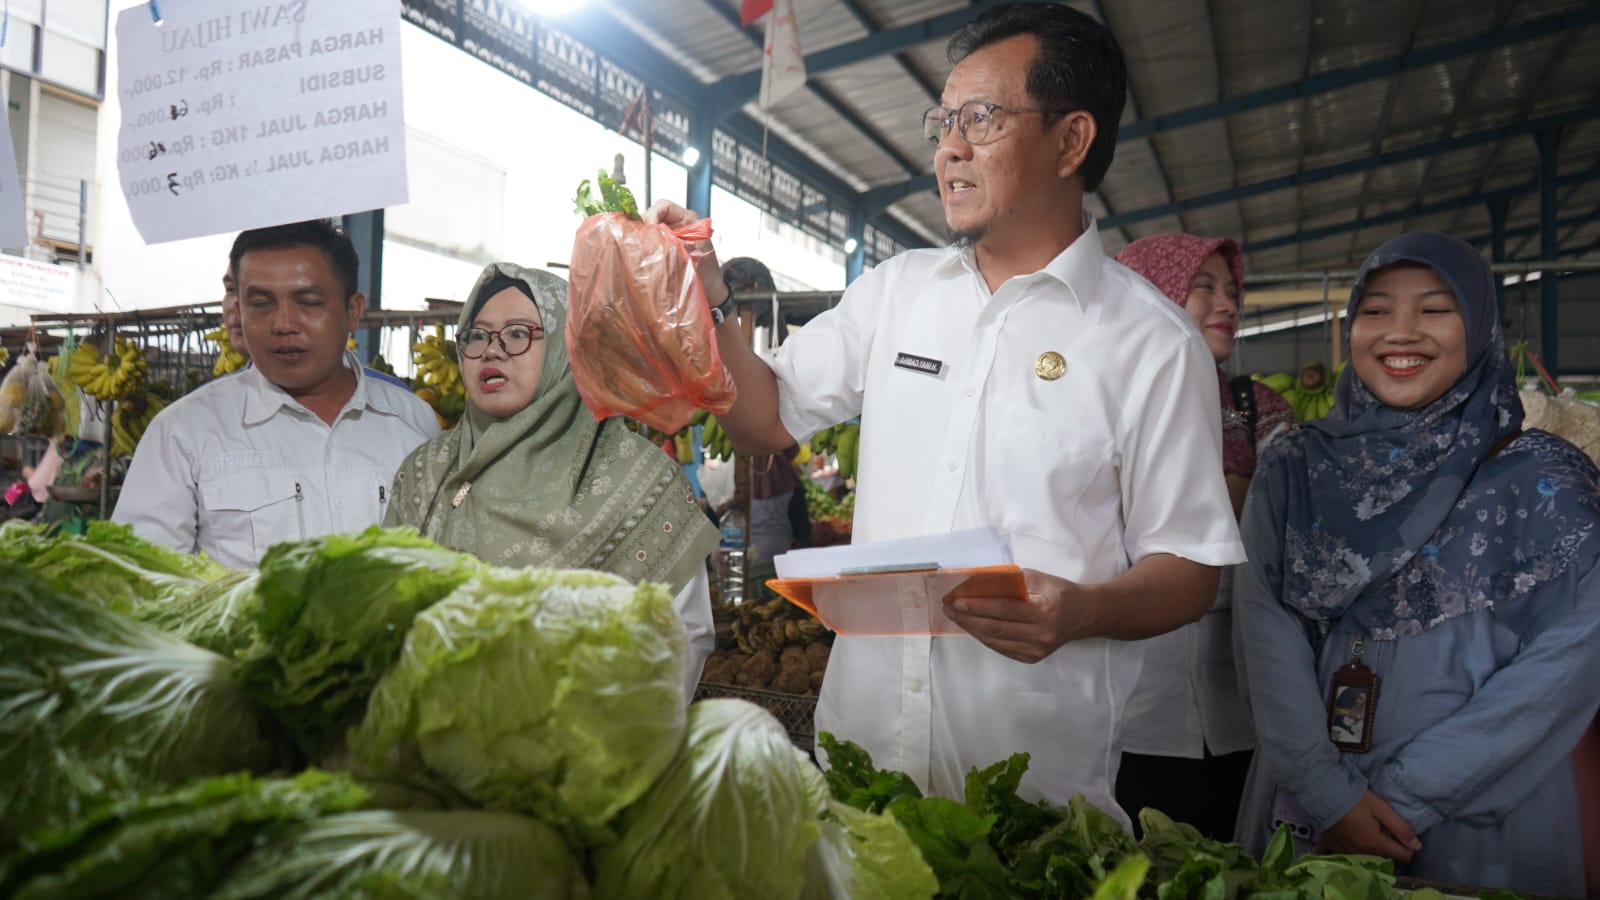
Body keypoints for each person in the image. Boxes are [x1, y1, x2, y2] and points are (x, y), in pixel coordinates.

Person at [643, 2, 1242, 822]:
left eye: (983, 118)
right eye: (944, 121)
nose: (949, 149)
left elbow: (1188, 568)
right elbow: (762, 418)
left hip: (1037, 799)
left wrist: (1083, 611)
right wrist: (707, 292)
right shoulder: (898, 293)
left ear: (1072, 141)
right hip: (860, 766)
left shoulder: (1153, 344)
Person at [1232, 232, 1600, 895]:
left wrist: (1414, 793)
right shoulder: (1296, 469)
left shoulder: (1545, 480)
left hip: (1480, 813)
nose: (1401, 333)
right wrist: (1326, 790)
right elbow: (1264, 631)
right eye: (1375, 311)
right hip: (1312, 806)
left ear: (1482, 324)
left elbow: (1573, 657)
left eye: (1434, 309)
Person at [384, 263, 718, 698]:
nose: (492, 351)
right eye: (477, 335)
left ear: (567, 347)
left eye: (519, 334)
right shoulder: (425, 473)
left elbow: (682, 637)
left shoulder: (636, 480)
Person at [113, 220, 439, 568]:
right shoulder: (183, 432)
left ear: (352, 311)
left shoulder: (414, 424)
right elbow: (142, 579)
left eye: (308, 302)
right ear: (238, 311)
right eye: (262, 304)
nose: (283, 324)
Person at [1111, 233, 1296, 838]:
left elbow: (1301, 527)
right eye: (1203, 287)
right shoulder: (1091, 406)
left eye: (1233, 291)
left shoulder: (1256, 407)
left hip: (1241, 697)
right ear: (1150, 293)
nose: (1228, 305)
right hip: (1125, 703)